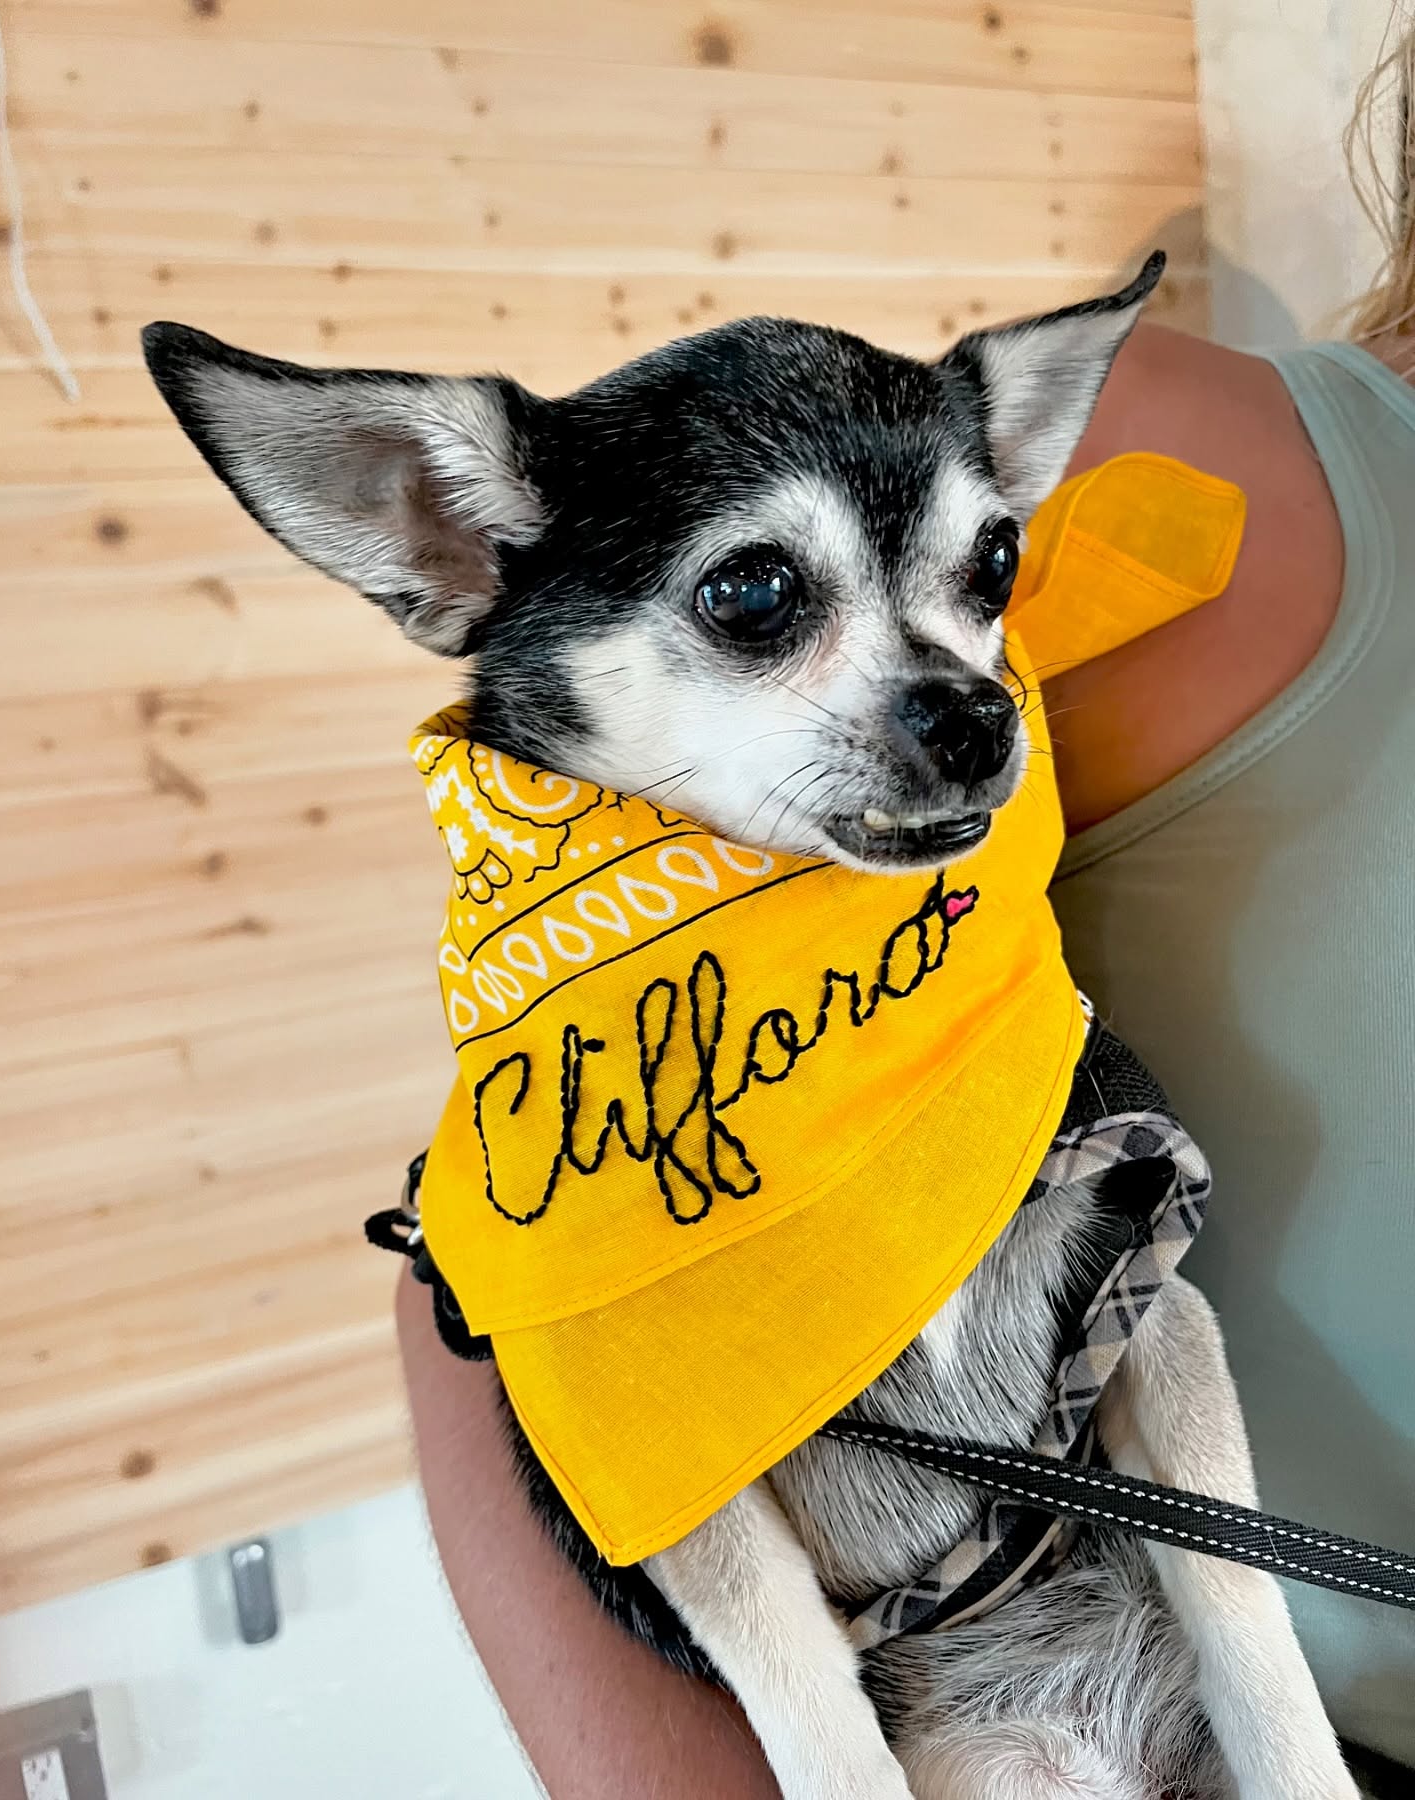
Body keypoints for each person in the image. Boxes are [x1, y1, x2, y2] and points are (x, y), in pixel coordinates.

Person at [397, 41, 1415, 1796]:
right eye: (758, 598)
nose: (956, 690)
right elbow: (511, 1247)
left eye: (980, 574)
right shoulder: (1225, 479)